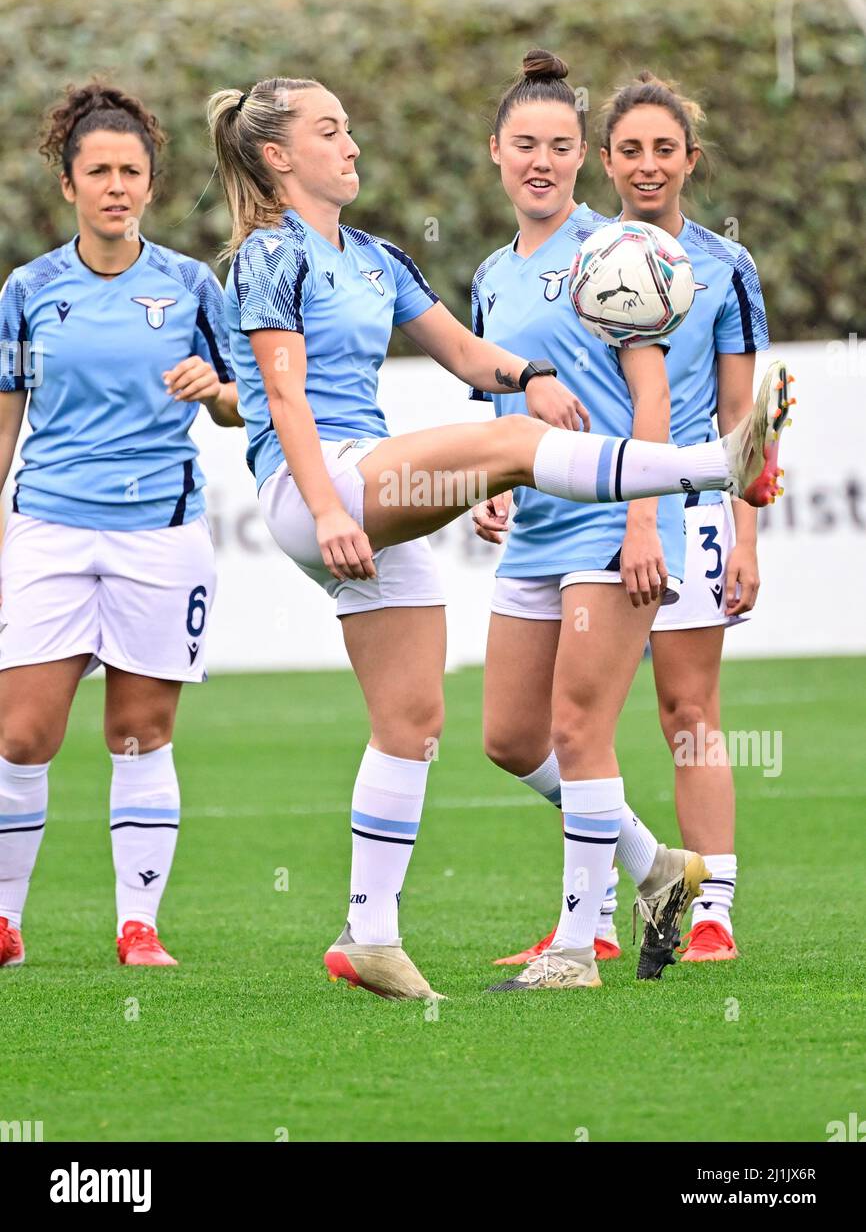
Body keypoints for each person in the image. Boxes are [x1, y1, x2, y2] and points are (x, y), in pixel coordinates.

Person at [208, 74, 790, 1001]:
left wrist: (531, 373)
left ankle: (378, 934)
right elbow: (279, 400)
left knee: (432, 724)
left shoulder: (383, 257)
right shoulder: (270, 255)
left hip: (443, 500)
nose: (354, 144)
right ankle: (714, 469)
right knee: (517, 446)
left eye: (564, 145)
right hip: (326, 486)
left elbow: (476, 361)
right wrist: (330, 510)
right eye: (332, 130)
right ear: (278, 156)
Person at [479, 66, 783, 978]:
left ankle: (652, 920)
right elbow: (503, 392)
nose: (647, 165)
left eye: (665, 149)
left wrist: (725, 532)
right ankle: (651, 872)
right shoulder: (498, 269)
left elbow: (736, 415)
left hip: (647, 513)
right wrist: (491, 478)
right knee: (513, 736)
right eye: (630, 150)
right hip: (552, 515)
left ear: (690, 159)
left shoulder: (658, 261)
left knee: (677, 712)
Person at [0, 82, 241, 971]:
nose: (114, 185)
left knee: (139, 731)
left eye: (129, 171)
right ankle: (5, 923)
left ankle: (138, 927)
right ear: (67, 184)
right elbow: (4, 425)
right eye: (96, 170)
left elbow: (241, 404)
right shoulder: (26, 291)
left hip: (158, 534)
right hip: (50, 529)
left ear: (150, 182)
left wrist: (213, 389)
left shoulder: (190, 285)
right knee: (22, 734)